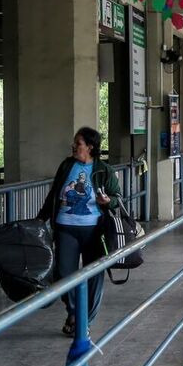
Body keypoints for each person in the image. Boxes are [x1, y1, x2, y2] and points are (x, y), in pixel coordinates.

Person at [37, 127, 122, 337]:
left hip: (94, 230)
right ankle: (75, 313)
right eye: (74, 143)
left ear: (90, 147)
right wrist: (40, 220)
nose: (74, 147)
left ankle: (85, 322)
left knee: (94, 276)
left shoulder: (104, 170)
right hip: (65, 228)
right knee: (63, 274)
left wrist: (108, 201)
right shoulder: (67, 166)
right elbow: (54, 195)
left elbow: (118, 198)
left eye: (78, 143)